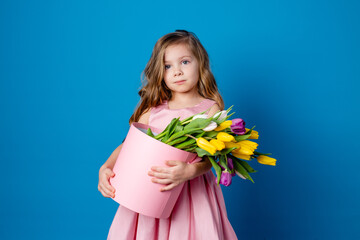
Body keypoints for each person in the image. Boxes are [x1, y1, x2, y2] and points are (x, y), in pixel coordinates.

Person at [98, 30, 238, 240]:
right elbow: (128, 145)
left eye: (184, 62)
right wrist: (106, 166)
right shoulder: (152, 110)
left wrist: (190, 171)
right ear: (160, 72)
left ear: (200, 63)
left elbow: (216, 157)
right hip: (148, 192)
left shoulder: (210, 110)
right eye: (168, 66)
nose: (177, 72)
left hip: (192, 198)